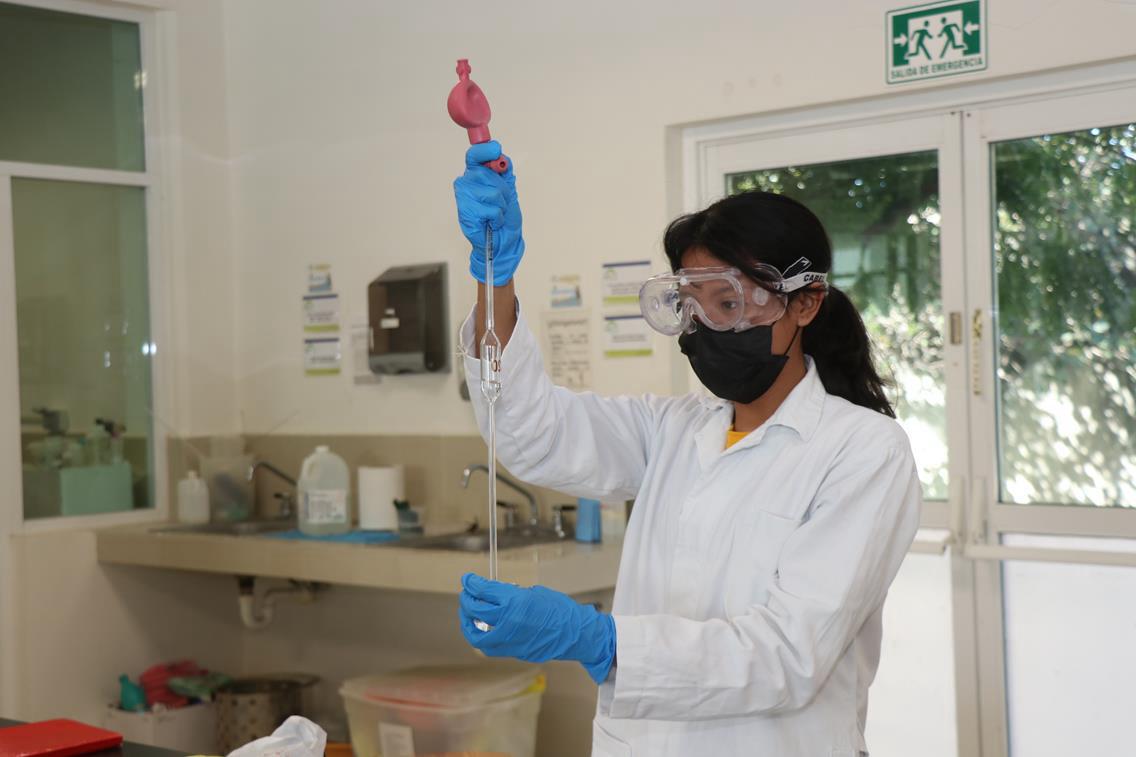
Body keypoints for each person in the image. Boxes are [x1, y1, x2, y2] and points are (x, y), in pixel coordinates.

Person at [452, 140, 921, 757]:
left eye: (729, 304)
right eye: (692, 308)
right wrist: (496, 276)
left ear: (805, 302)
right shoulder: (671, 429)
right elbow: (534, 434)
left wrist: (602, 642)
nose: (707, 329)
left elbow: (788, 656)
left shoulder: (863, 452)